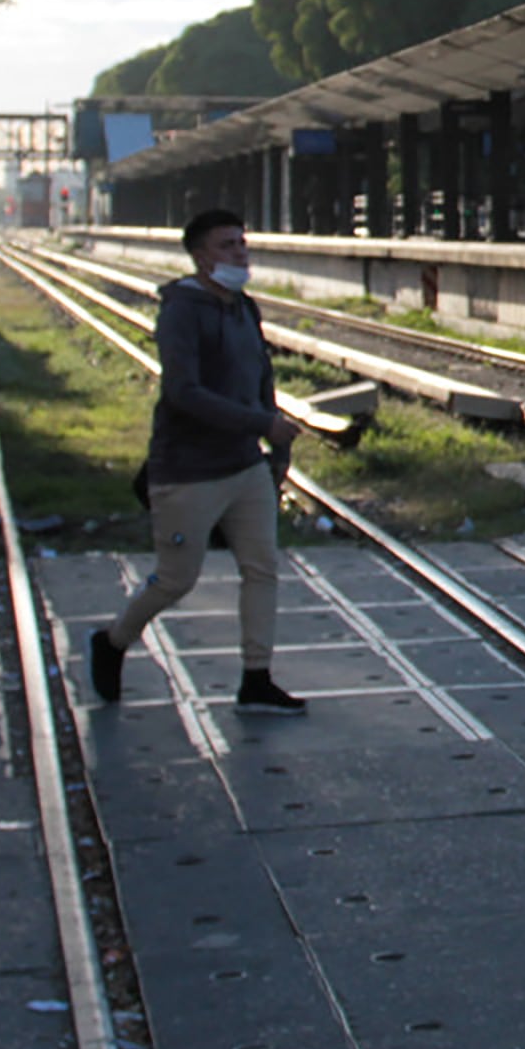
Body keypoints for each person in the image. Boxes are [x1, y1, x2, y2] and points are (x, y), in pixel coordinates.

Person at [87, 209, 306, 714]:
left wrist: (273, 438)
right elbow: (183, 392)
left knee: (262, 567)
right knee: (176, 578)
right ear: (201, 256)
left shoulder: (243, 308)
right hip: (188, 469)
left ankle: (256, 678)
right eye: (228, 246)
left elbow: (259, 377)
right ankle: (114, 641)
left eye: (242, 243)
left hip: (244, 466)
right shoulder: (182, 310)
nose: (240, 253)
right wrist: (259, 424)